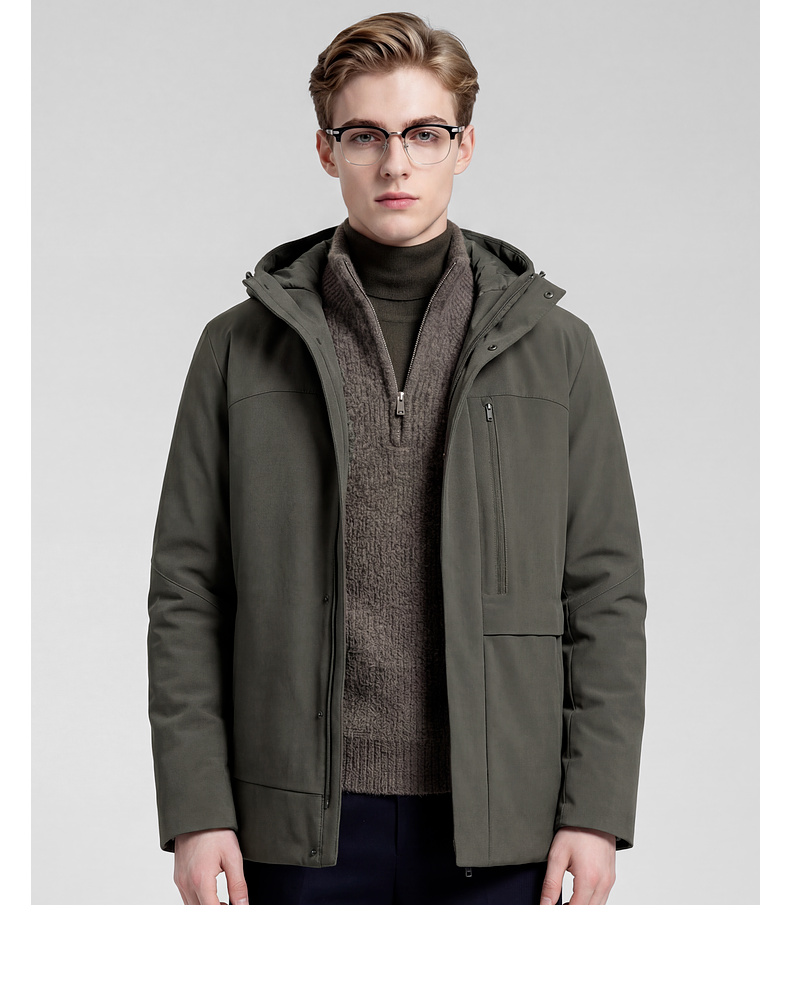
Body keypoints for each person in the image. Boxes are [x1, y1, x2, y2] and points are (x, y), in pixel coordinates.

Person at [147, 11, 647, 906]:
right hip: (292, 824)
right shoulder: (238, 347)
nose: (395, 163)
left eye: (424, 133)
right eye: (365, 136)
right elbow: (186, 592)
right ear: (326, 150)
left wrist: (595, 810)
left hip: (505, 822)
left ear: (464, 146)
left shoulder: (556, 349)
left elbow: (605, 593)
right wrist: (197, 809)